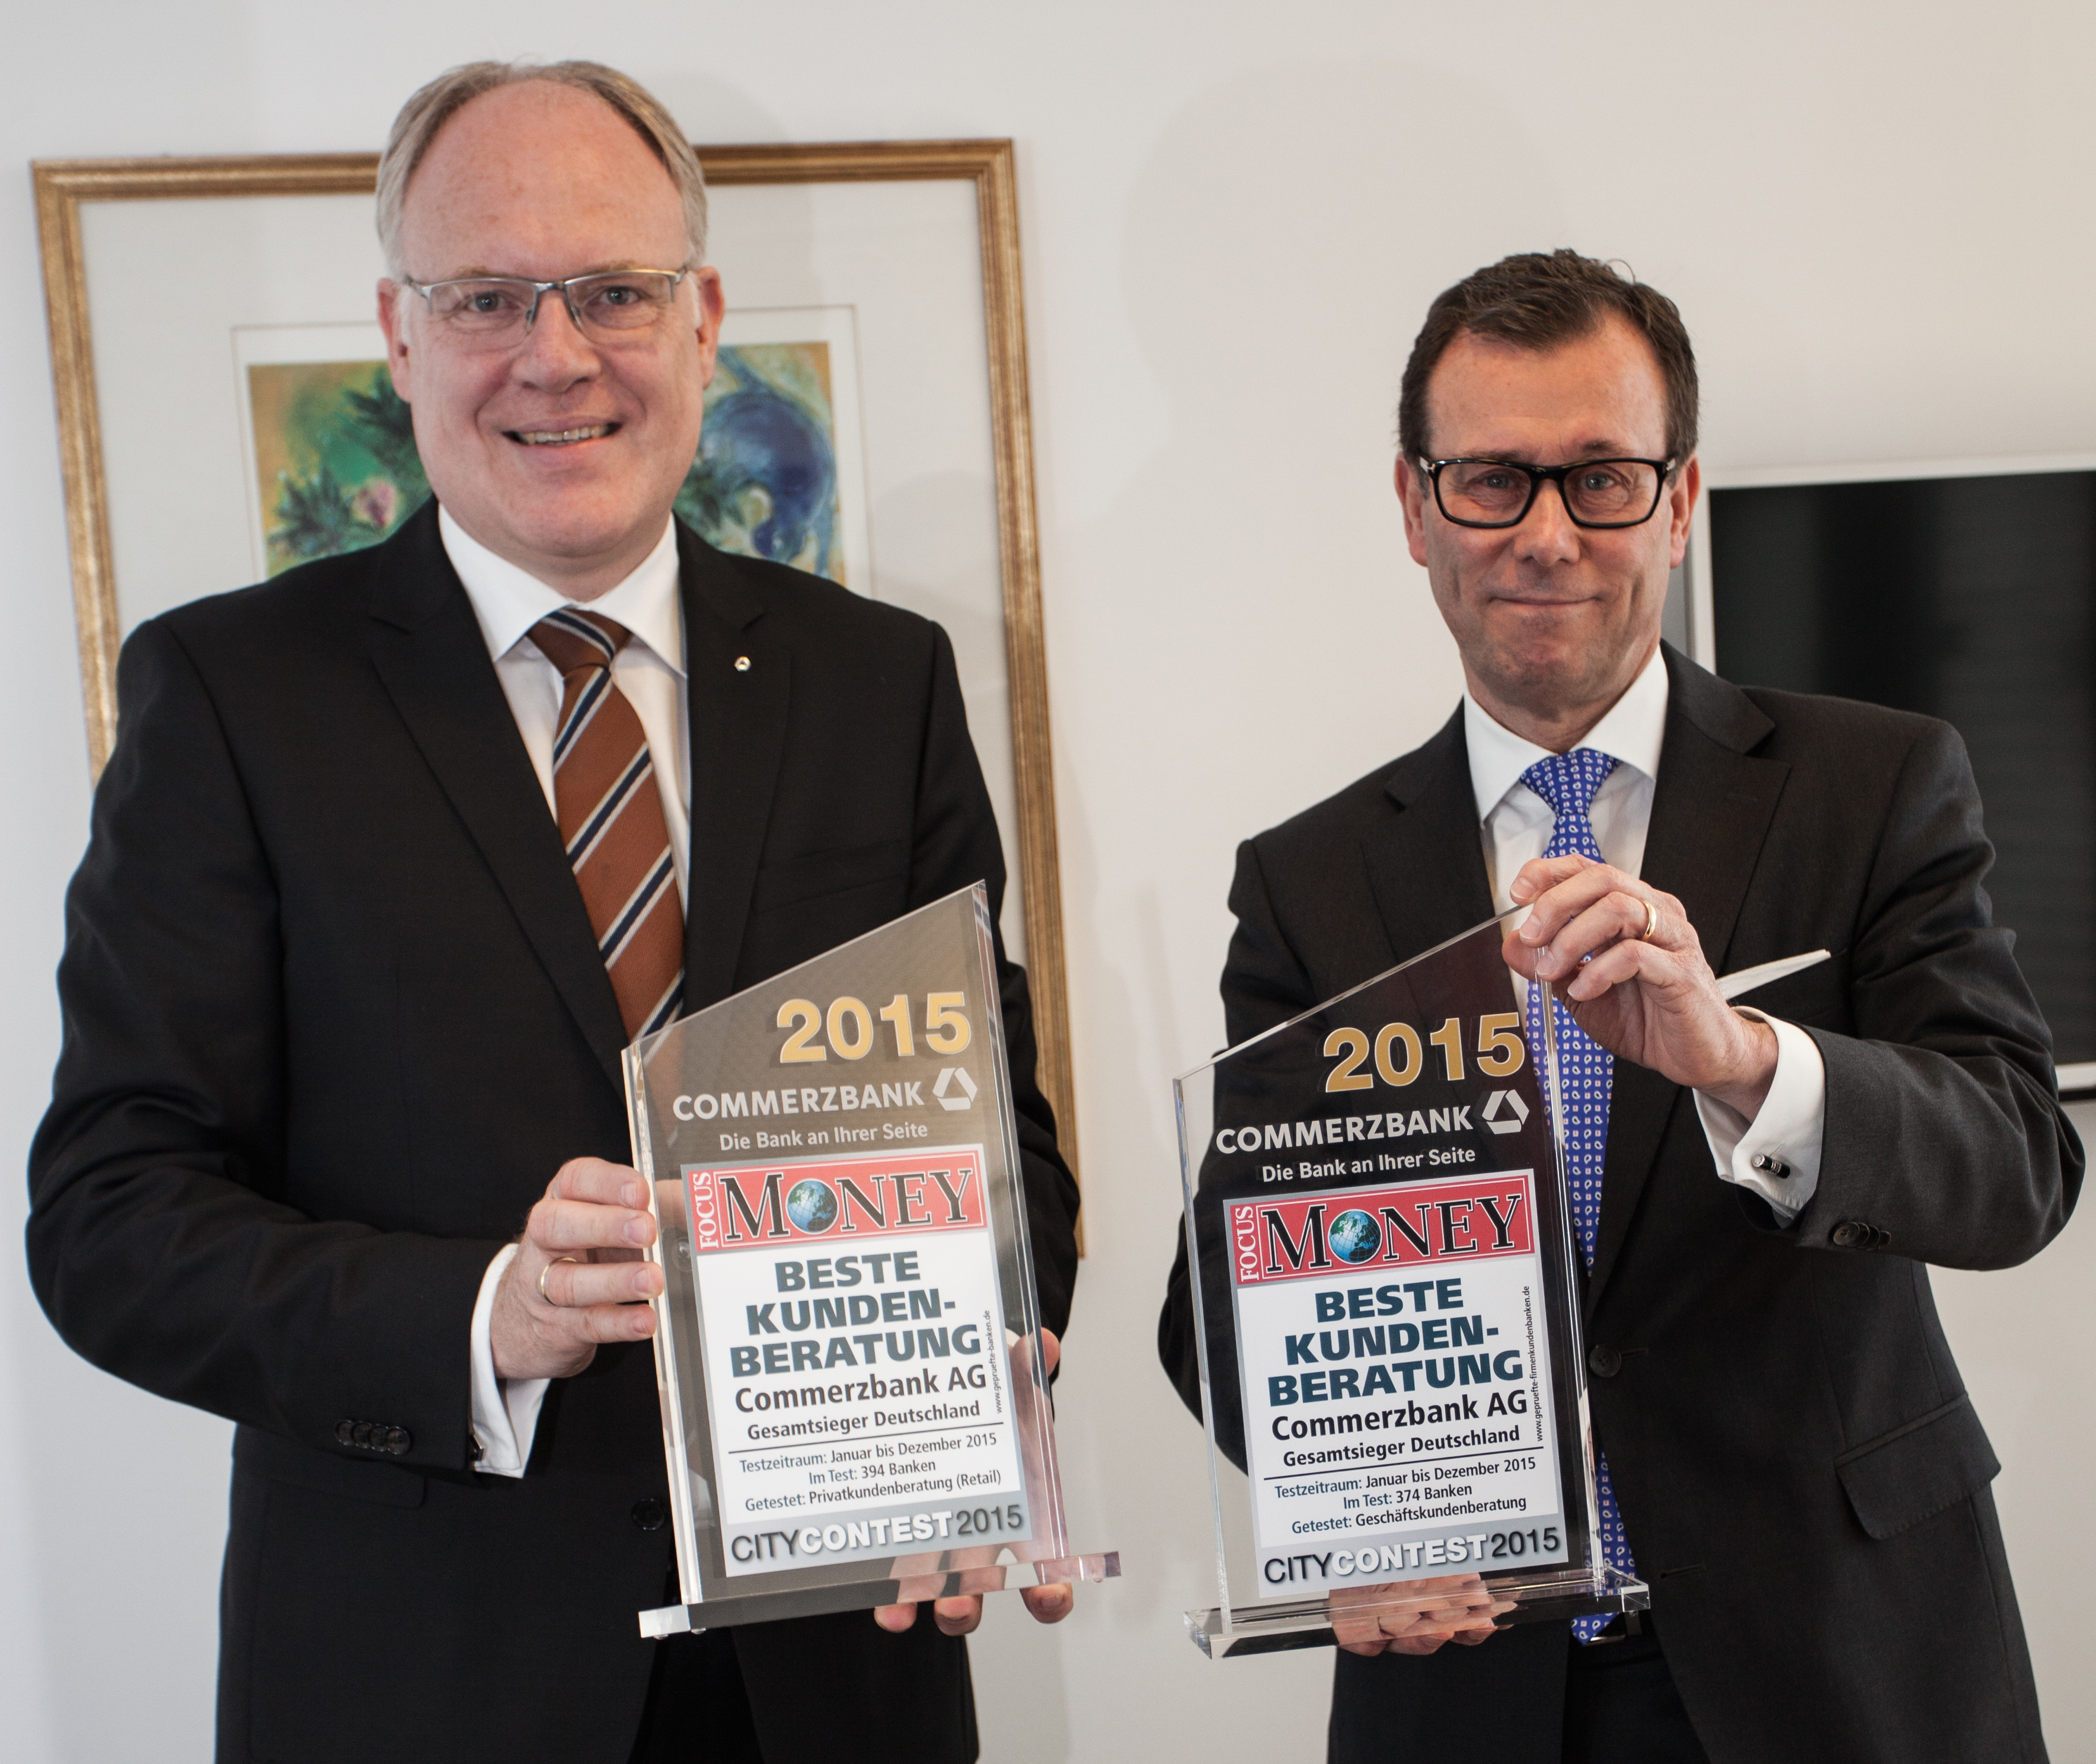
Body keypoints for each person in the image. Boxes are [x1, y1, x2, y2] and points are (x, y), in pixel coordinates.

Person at [28, 59, 1079, 1764]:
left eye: (612, 289)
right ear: (400, 333)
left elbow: (999, 1140)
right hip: (416, 1677)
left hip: (836, 1671)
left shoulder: (879, 680)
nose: (556, 352)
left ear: (703, 313)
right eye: (487, 297)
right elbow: (109, 1218)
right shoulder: (235, 694)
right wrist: (485, 1315)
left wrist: (987, 1385)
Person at [1158, 249, 2080, 1763]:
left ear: (1679, 496)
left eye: (1597, 479)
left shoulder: (1874, 784)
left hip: (1842, 1663)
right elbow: (1222, 1300)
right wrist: (1354, 1517)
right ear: (1412, 507)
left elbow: (2013, 1168)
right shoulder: (1310, 880)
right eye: (1488, 481)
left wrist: (1737, 1063)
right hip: (1471, 1687)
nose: (1541, 536)